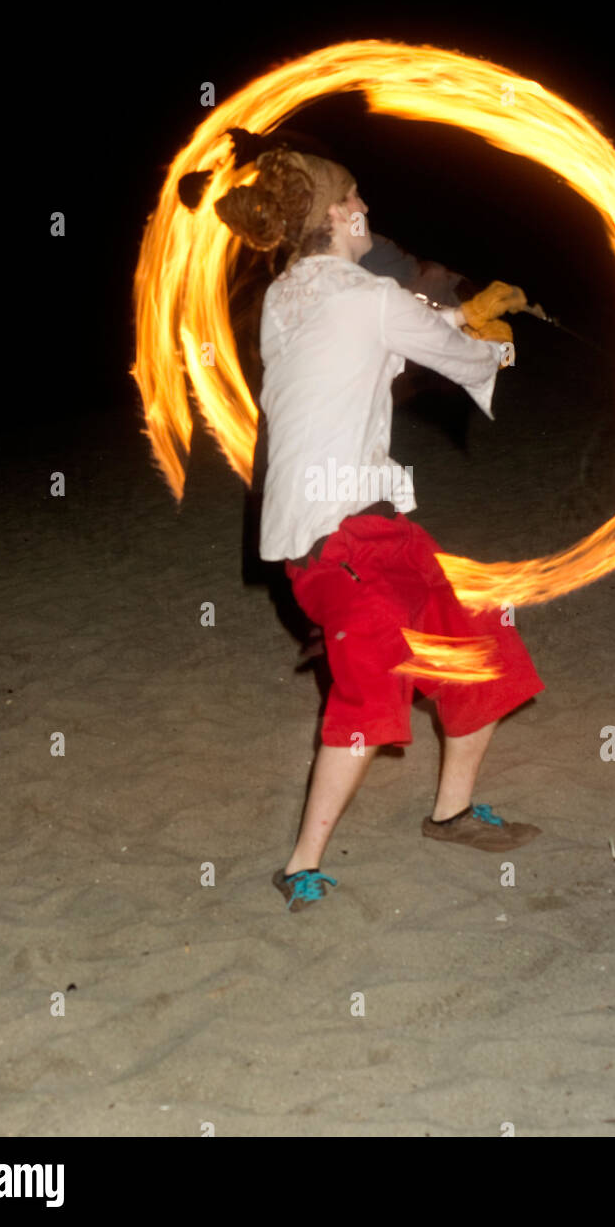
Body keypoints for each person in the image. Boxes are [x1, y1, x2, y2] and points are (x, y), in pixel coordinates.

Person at [214, 146, 546, 913]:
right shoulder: (361, 297)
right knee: (368, 699)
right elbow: (446, 352)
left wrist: (462, 311)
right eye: (358, 196)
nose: (369, 207)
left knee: (481, 645)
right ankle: (301, 864)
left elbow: (379, 334)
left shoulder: (289, 297)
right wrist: (491, 338)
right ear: (336, 214)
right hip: (341, 542)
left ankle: (453, 815)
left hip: (365, 532)